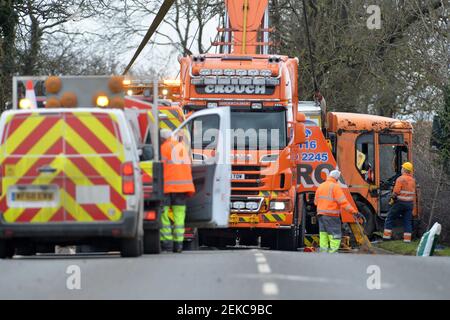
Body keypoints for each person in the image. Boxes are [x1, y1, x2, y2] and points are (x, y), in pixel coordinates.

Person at [159, 129, 195, 253]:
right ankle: (178, 244)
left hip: (167, 188)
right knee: (179, 216)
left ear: (162, 139)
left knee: (163, 215)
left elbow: (159, 167)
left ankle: (167, 244)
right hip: (182, 188)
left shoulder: (164, 148)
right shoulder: (181, 147)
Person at [314, 170, 360, 253]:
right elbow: (343, 202)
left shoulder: (321, 186)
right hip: (331, 215)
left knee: (323, 234)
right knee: (334, 234)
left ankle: (323, 252)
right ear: (337, 178)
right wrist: (354, 211)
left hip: (321, 215)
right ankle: (333, 252)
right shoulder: (335, 187)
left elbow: (315, 202)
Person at [383, 162, 416, 243]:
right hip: (409, 204)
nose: (401, 169)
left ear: (404, 169)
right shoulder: (413, 180)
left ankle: (386, 237)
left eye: (402, 168)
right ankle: (407, 240)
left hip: (400, 203)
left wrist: (392, 198)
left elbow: (396, 192)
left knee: (389, 218)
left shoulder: (400, 179)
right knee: (407, 221)